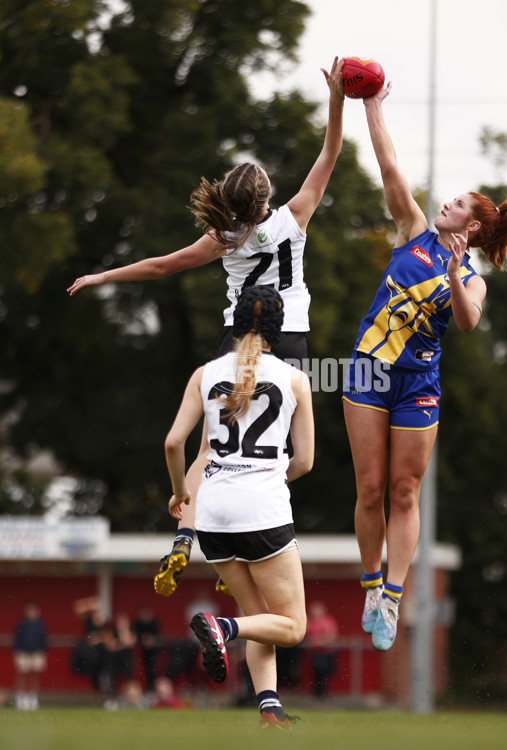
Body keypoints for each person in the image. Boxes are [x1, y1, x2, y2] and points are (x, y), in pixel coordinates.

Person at [67, 57, 345, 597]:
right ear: (266, 198)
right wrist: (336, 98)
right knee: (285, 446)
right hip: (287, 338)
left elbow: (161, 265)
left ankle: (185, 533)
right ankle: (251, 525)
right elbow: (330, 151)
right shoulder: (295, 217)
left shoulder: (223, 238)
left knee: (207, 450)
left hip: (235, 337)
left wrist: (103, 275)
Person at [342, 82, 507, 653]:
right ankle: (371, 586)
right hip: (369, 372)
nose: (445, 204)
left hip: (417, 385)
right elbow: (390, 166)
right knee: (369, 488)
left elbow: (468, 322)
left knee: (403, 492)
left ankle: (393, 598)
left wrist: (450, 273)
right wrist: (372, 106)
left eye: (457, 205)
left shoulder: (472, 280)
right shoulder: (412, 231)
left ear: (470, 228)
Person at [164, 285, 314, 729]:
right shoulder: (295, 379)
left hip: (212, 515)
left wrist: (179, 493)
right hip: (262, 513)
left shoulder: (203, 373)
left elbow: (174, 443)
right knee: (292, 627)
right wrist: (267, 478)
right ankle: (221, 628)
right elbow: (304, 462)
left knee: (258, 618)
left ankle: (270, 708)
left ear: (234, 323)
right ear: (277, 329)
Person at [13, 602, 48, 710]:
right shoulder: (22, 624)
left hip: (37, 653)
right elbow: (17, 639)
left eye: (34, 611)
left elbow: (44, 640)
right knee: (22, 675)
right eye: (30, 611)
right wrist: (17, 652)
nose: (32, 613)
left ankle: (33, 698)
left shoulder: (41, 624)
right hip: (23, 653)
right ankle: (21, 697)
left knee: (34, 675)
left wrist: (43, 652)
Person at [305, 600, 339, 697]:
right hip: (315, 654)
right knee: (316, 675)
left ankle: (324, 696)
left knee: (325, 675)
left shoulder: (328, 621)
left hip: (327, 653)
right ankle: (317, 696)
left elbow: (331, 636)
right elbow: (305, 636)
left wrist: (317, 641)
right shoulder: (310, 621)